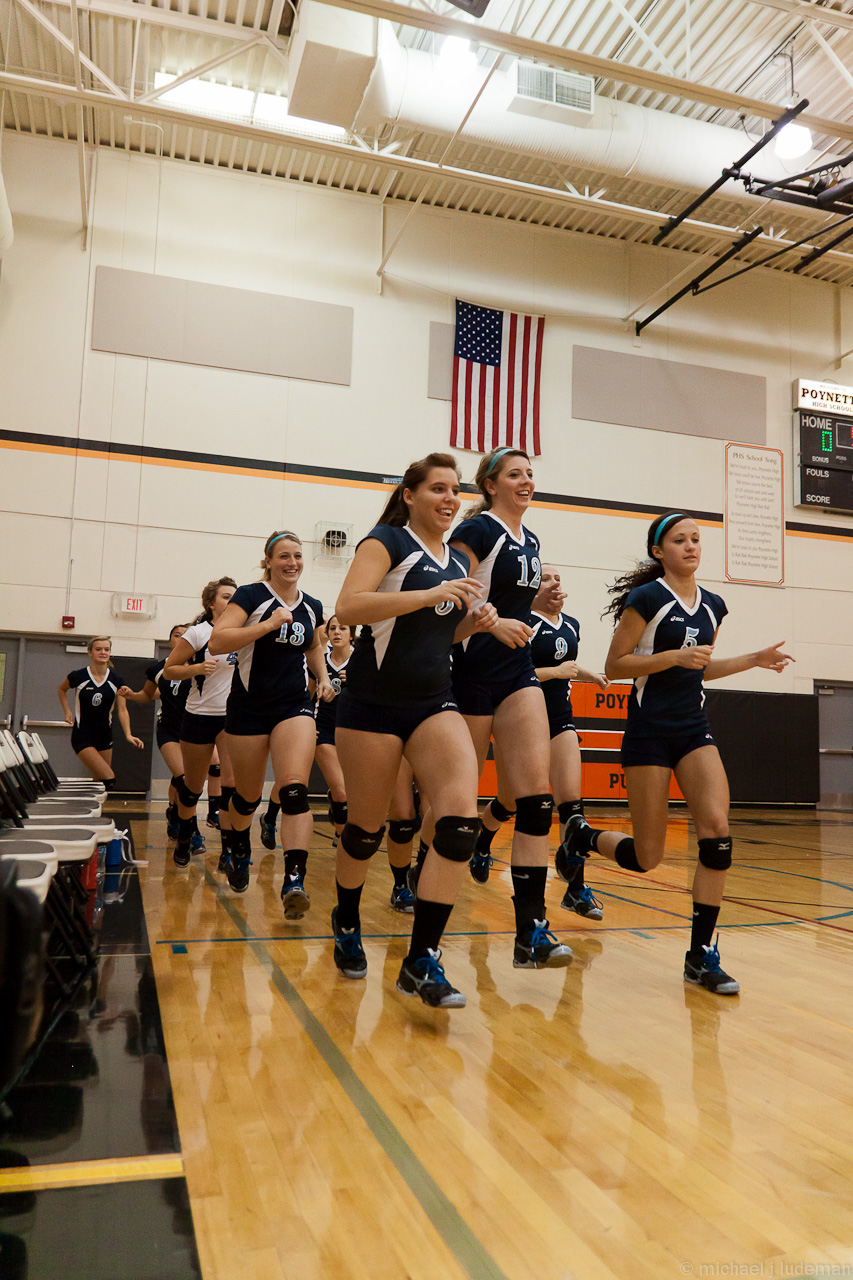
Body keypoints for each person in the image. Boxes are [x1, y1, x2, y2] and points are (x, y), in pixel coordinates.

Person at [596, 511, 793, 995]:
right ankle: (581, 836)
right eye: (679, 540)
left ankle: (700, 955)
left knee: (717, 832)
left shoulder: (714, 606)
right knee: (648, 857)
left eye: (696, 539)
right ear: (658, 551)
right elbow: (615, 666)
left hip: (692, 728)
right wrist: (672, 657)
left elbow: (699, 669)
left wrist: (754, 659)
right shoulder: (647, 599)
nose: (690, 546)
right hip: (649, 732)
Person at [334, 451, 498, 1008]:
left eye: (456, 490)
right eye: (438, 488)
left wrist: (474, 625)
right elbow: (349, 608)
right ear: (410, 495)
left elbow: (436, 636)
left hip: (434, 702)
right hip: (372, 706)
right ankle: (347, 919)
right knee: (365, 831)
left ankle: (421, 959)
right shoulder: (387, 541)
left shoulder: (455, 561)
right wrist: (429, 596)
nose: (450, 498)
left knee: (459, 824)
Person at [448, 446, 572, 971]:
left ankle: (530, 931)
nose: (526, 481)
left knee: (536, 799)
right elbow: (452, 592)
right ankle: (420, 873)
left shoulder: (532, 540)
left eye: (530, 473)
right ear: (490, 484)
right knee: (455, 801)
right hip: (471, 671)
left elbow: (511, 600)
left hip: (517, 672)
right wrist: (492, 621)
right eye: (515, 474)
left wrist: (534, 606)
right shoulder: (477, 530)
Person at [208, 531, 332, 914]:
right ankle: (239, 847)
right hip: (249, 708)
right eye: (284, 556)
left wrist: (323, 677)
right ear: (269, 561)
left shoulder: (312, 605)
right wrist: (267, 625)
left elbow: (313, 645)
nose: (292, 562)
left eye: (297, 555)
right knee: (246, 797)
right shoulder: (251, 596)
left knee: (294, 790)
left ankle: (294, 880)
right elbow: (217, 642)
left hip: (293, 706)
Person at [164, 578, 237, 869]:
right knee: (192, 787)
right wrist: (196, 668)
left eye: (235, 597)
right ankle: (184, 837)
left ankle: (228, 850)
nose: (232, 601)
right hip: (198, 715)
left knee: (230, 786)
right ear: (211, 603)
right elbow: (169, 670)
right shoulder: (198, 632)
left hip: (232, 718)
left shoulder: (243, 632)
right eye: (226, 596)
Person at [119, 624, 189, 838]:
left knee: (184, 778)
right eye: (177, 635)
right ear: (170, 640)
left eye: (186, 636)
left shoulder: (200, 665)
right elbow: (148, 694)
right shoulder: (159, 669)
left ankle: (173, 810)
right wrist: (132, 695)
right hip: (169, 729)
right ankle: (184, 822)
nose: (181, 639)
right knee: (183, 777)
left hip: (194, 730)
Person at [58, 636, 143, 787]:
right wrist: (67, 711)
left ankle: (93, 803)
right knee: (108, 779)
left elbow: (122, 709)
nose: (103, 652)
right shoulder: (78, 676)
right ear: (89, 652)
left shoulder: (116, 678)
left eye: (106, 649)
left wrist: (128, 734)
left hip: (104, 735)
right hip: (83, 735)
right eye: (98, 649)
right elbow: (61, 690)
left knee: (99, 784)